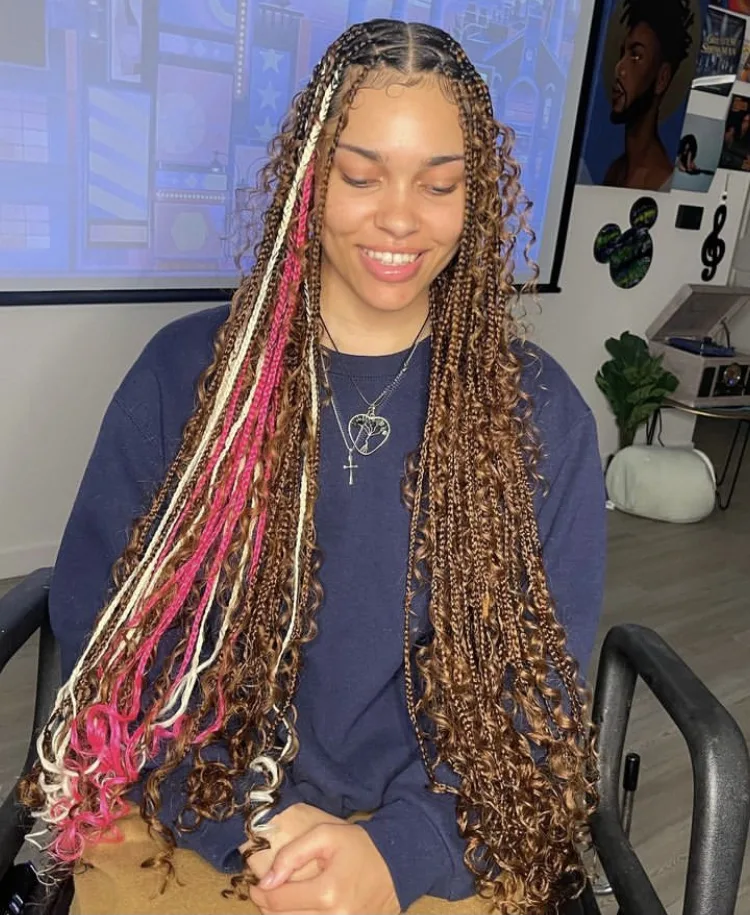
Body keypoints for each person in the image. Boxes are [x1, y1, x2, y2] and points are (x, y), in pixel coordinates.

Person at [20, 18, 606, 915]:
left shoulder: (538, 417)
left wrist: (398, 854)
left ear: (475, 198)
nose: (401, 216)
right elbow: (110, 645)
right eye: (361, 175)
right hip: (195, 820)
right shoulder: (186, 379)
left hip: (447, 833)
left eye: (440, 184)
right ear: (306, 179)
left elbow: (540, 699)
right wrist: (245, 827)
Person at [603, 0, 694, 191]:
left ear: (662, 79)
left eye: (636, 56)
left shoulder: (661, 180)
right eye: (622, 54)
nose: (619, 68)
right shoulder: (615, 171)